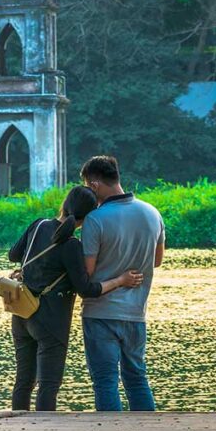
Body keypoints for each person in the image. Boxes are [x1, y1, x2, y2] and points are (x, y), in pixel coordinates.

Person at [7, 186, 143, 411]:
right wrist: (120, 280)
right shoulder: (71, 245)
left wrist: (28, 270)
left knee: (23, 381)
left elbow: (13, 254)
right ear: (89, 216)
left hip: (22, 313)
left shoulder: (38, 224)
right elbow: (87, 289)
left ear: (65, 203)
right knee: (48, 385)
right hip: (51, 321)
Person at [79, 155, 165, 411]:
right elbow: (157, 260)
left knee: (105, 380)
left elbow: (88, 273)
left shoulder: (95, 219)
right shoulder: (152, 212)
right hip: (136, 313)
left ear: (94, 184)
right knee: (137, 377)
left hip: (100, 312)